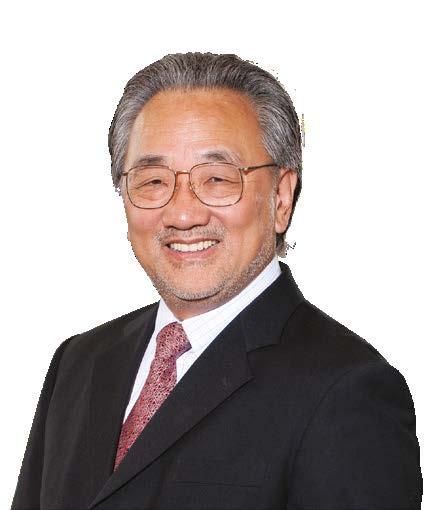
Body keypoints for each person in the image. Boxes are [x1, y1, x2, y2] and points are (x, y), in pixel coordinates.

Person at [12, 52, 422, 510]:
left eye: (218, 179)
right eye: (153, 181)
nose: (183, 213)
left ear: (281, 198)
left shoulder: (347, 391)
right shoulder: (78, 362)